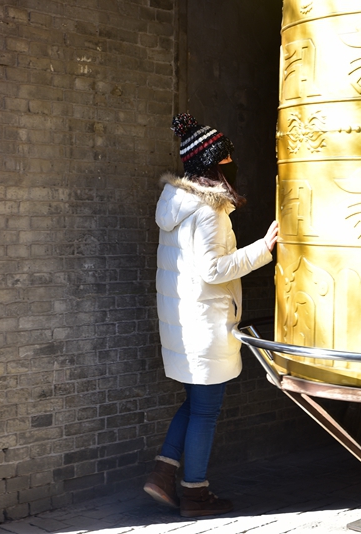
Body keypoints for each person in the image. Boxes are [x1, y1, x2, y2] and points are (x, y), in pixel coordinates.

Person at [143, 113, 279, 518]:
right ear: (211, 164)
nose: (233, 163)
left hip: (184, 321)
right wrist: (264, 248)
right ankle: (195, 494)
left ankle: (163, 474)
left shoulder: (176, 205)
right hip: (205, 325)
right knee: (206, 408)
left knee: (194, 402)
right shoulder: (208, 211)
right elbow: (213, 270)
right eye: (227, 158)